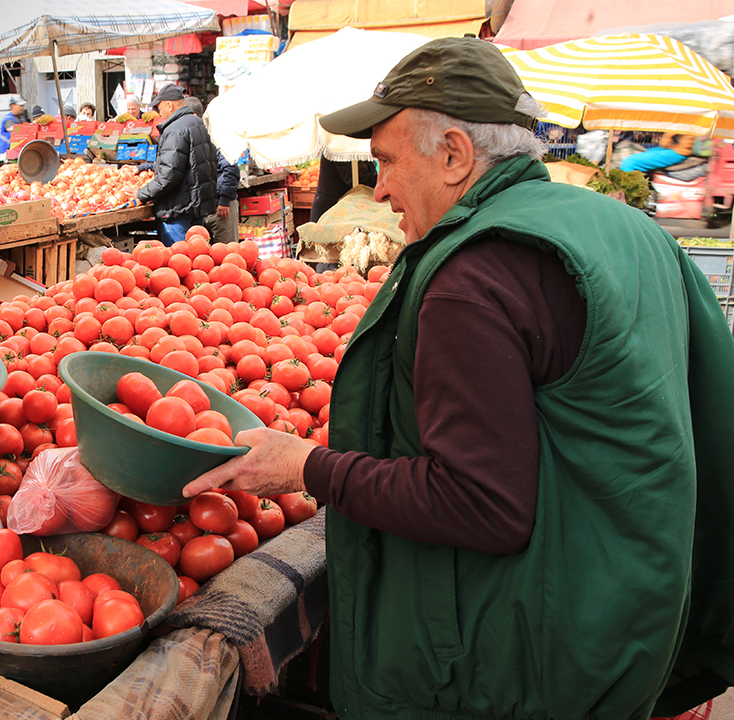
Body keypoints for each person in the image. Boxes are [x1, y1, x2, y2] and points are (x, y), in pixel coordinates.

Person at [183, 37, 734, 720]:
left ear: (454, 154)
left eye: (385, 161)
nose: (378, 189)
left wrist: (308, 466)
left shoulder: (469, 277)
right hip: (629, 616)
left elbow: (483, 504)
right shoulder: (631, 230)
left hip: (519, 658)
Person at [135, 85, 217, 247]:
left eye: (159, 108)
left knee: (178, 259)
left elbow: (169, 175)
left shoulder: (175, 129)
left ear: (169, 105)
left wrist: (142, 194)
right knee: (197, 258)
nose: (159, 113)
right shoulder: (198, 123)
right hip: (197, 205)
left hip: (178, 209)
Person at [178, 96, 239, 243]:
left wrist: (224, 199)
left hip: (221, 207)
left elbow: (231, 168)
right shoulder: (188, 136)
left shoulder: (215, 136)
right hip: (201, 209)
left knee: (227, 252)